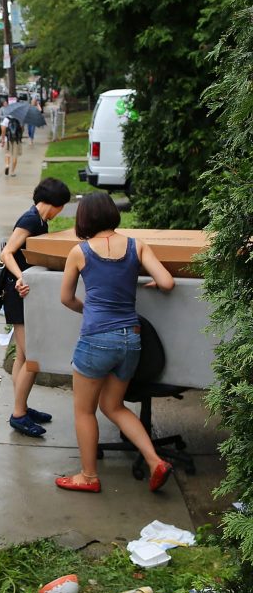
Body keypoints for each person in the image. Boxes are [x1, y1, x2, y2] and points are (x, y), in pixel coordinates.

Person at [57, 192, 175, 493]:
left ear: (84, 218)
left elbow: (66, 298)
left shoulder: (79, 252)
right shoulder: (137, 245)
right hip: (131, 339)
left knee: (84, 410)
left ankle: (88, 476)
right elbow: (166, 282)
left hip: (96, 339)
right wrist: (150, 283)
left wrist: (86, 308)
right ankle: (154, 461)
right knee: (114, 405)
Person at [0, 178, 71, 438]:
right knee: (32, 356)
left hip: (23, 292)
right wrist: (21, 277)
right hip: (17, 292)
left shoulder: (40, 221)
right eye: (60, 207)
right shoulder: (30, 220)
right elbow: (7, 253)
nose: (59, 212)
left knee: (22, 355)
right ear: (52, 204)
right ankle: (18, 415)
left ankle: (22, 407)